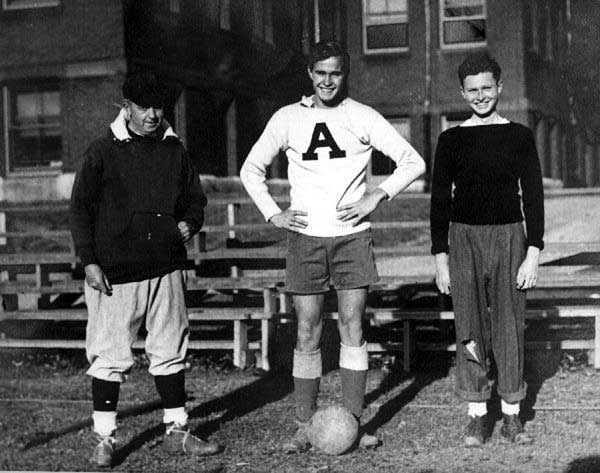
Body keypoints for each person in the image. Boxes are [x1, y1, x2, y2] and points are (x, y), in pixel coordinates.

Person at [240, 41, 425, 453]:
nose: (327, 80)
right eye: (320, 72)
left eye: (336, 73)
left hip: (351, 237)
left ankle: (353, 422)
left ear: (345, 74)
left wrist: (375, 197)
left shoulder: (362, 116)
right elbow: (251, 169)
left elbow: (412, 161)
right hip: (306, 237)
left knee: (352, 325)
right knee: (307, 329)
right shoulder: (287, 117)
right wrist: (274, 213)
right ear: (310, 73)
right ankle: (304, 424)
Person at [70, 72, 220, 467]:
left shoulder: (174, 149)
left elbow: (195, 199)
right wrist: (89, 261)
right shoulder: (102, 150)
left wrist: (190, 222)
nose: (153, 115)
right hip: (115, 273)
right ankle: (104, 438)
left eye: (159, 107)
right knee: (110, 355)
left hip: (166, 266)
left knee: (170, 350)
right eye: (144, 107)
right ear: (126, 108)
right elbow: (80, 209)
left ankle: (177, 431)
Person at [430, 52, 544, 447]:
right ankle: (478, 412)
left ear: (500, 87)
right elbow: (440, 201)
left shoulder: (519, 135)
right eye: (472, 90)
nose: (481, 96)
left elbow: (533, 195)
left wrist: (534, 251)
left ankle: (512, 413)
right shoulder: (451, 140)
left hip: (509, 237)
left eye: (487, 88)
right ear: (463, 92)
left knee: (509, 324)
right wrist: (440, 258)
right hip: (464, 240)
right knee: (471, 327)